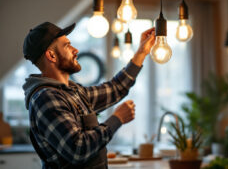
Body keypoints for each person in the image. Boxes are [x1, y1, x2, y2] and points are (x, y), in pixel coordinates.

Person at [22, 21, 155, 169]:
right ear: (51, 55)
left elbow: (116, 88)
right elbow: (78, 149)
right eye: (67, 45)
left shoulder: (73, 91)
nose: (76, 50)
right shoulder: (45, 99)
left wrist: (141, 52)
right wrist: (116, 119)